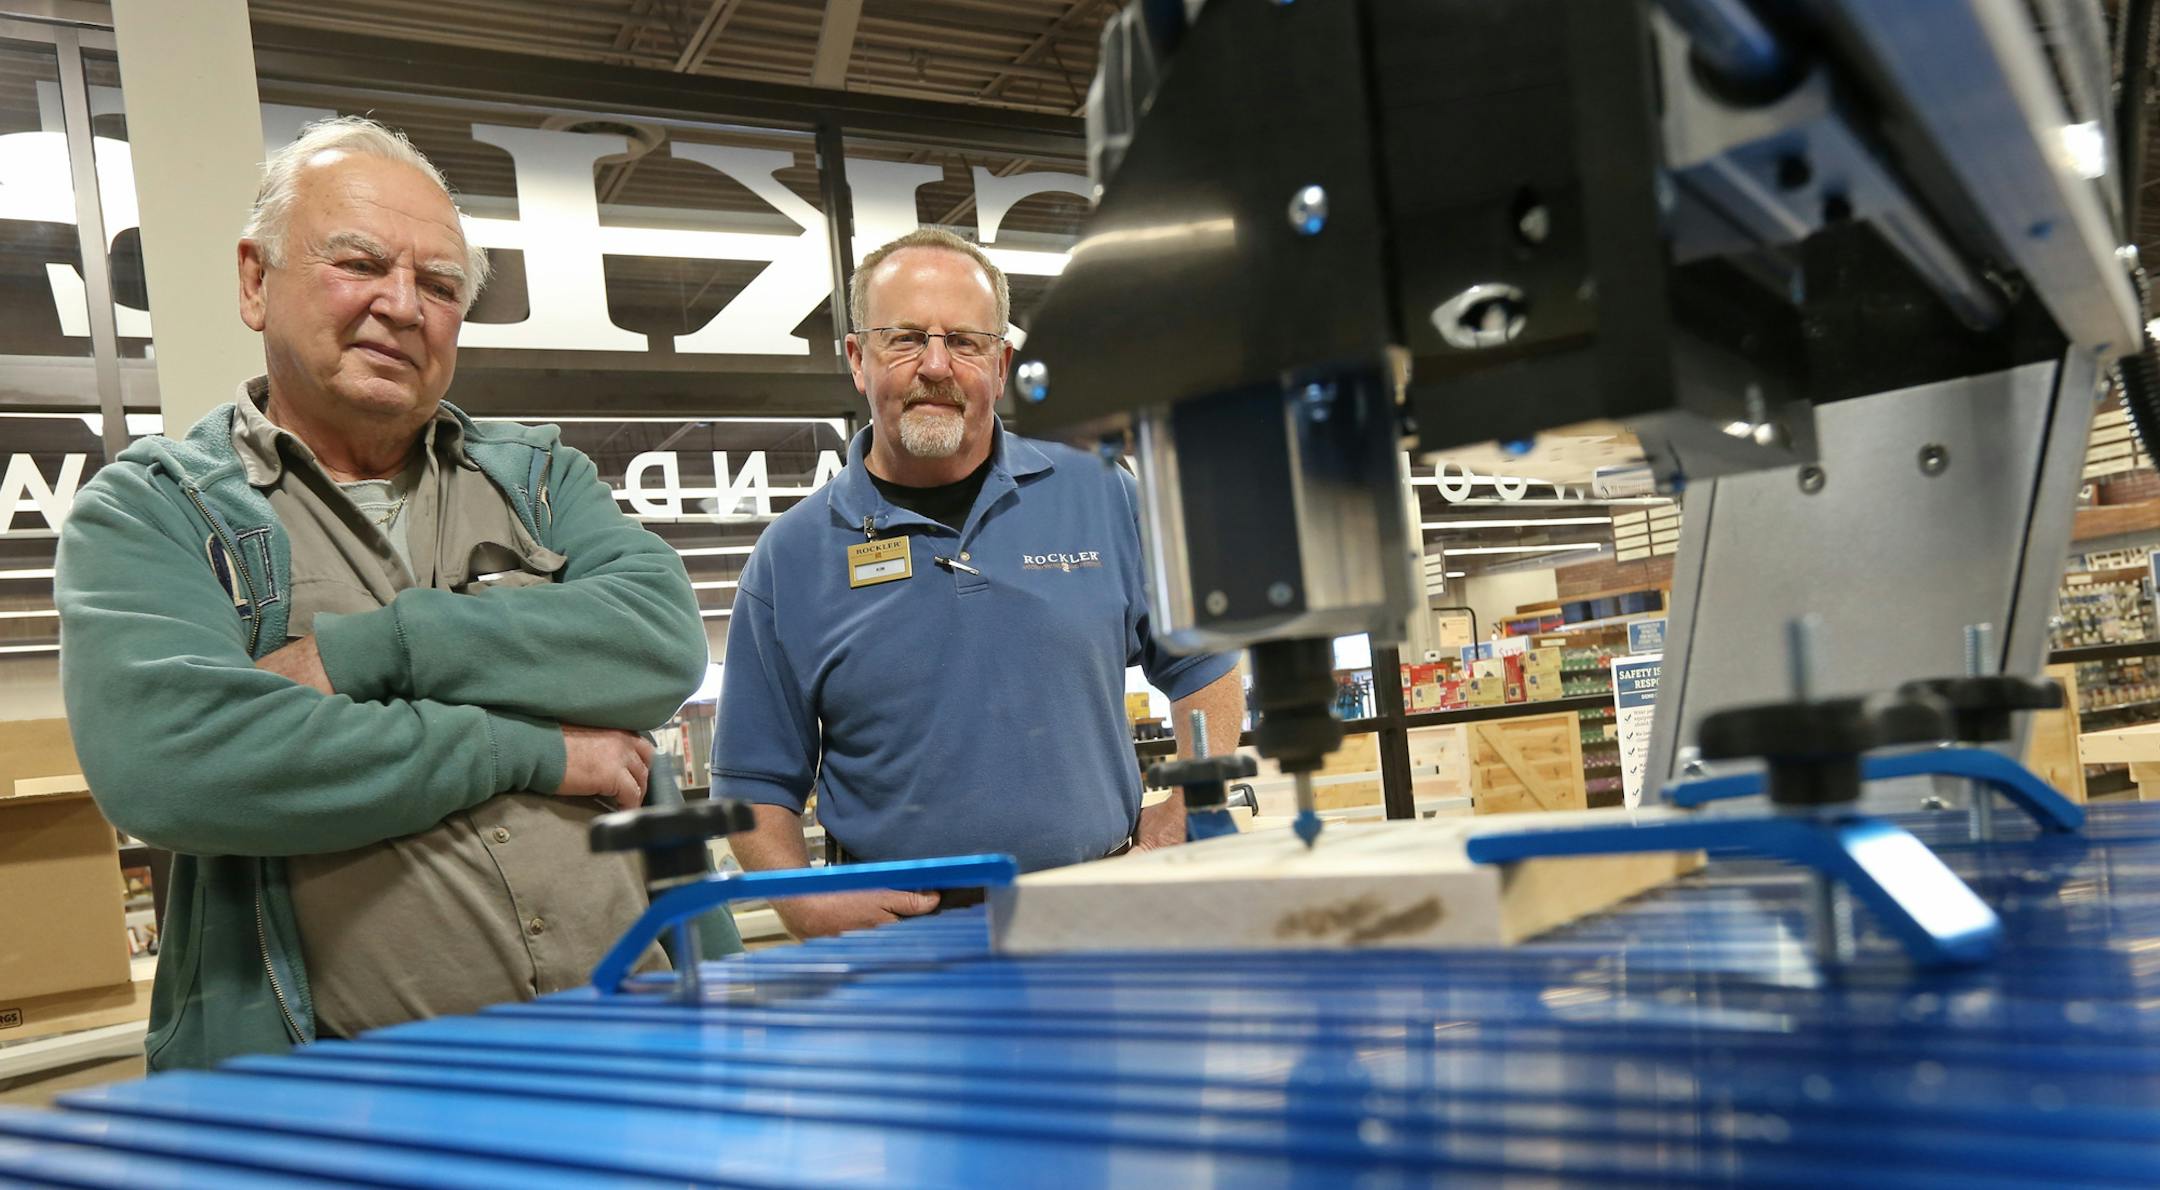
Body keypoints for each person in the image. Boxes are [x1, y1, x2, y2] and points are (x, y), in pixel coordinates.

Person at [55, 117, 736, 1072]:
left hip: (655, 1055)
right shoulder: (157, 510)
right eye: (360, 262)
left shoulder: (541, 479)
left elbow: (659, 643)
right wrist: (532, 749)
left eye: (440, 284)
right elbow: (176, 761)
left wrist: (360, 657)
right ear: (256, 280)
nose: (403, 305)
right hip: (345, 1117)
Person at [714, 229, 1246, 939]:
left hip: (1104, 920)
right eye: (904, 338)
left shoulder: (1102, 494)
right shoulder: (791, 557)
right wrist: (803, 902)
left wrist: (1191, 804)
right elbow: (752, 786)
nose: (935, 365)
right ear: (857, 360)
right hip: (908, 947)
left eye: (964, 343)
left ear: (1000, 365)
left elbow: (1205, 664)